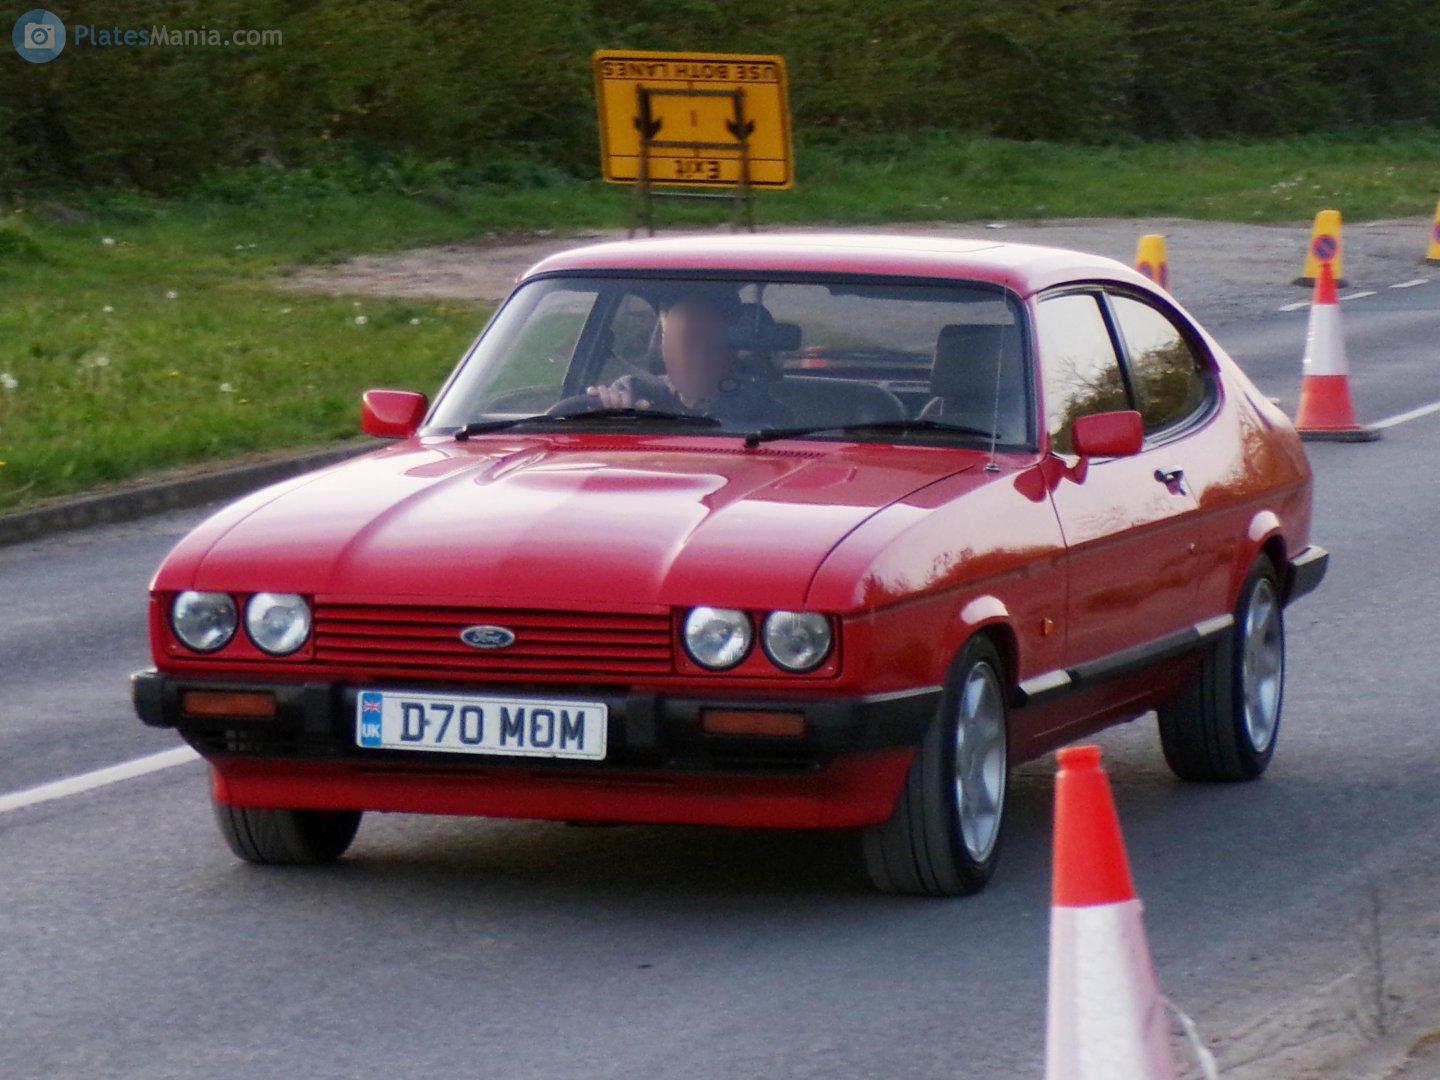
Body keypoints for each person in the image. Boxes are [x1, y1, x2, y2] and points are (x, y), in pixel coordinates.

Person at [585, 293, 788, 427]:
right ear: (663, 346)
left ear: (731, 351)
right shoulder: (633, 392)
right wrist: (607, 419)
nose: (698, 358)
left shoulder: (762, 409)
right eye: (683, 342)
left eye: (711, 343)